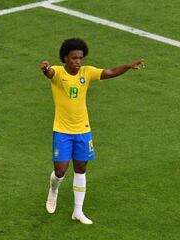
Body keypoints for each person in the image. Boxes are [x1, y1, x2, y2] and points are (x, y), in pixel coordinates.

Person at [40, 38, 144, 225]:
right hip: (62, 131)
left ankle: (78, 211)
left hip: (83, 130)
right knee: (60, 171)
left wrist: (127, 66)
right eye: (74, 58)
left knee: (81, 168)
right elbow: (50, 73)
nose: (78, 61)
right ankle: (53, 189)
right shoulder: (58, 73)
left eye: (80, 57)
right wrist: (45, 69)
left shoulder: (87, 73)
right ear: (65, 58)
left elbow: (109, 72)